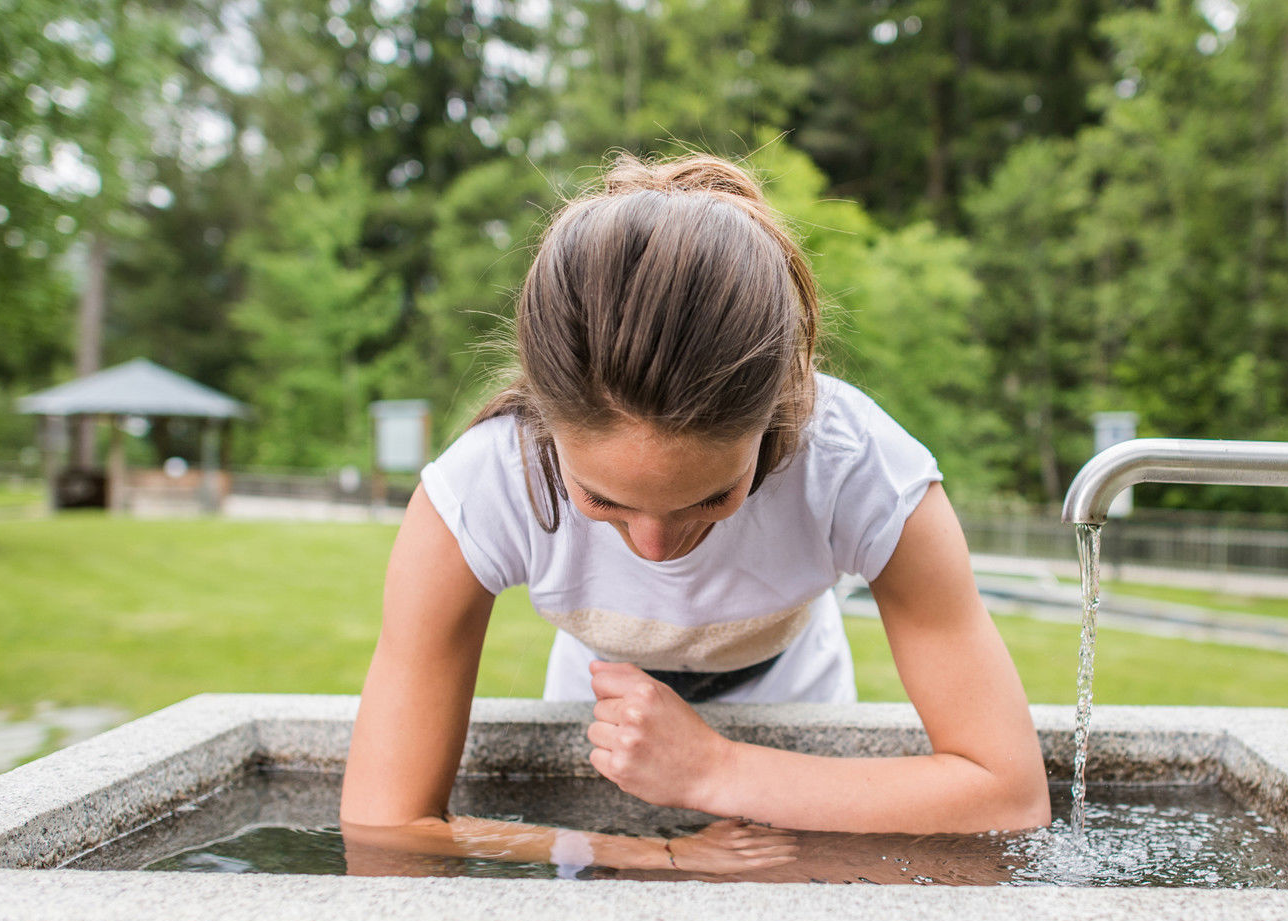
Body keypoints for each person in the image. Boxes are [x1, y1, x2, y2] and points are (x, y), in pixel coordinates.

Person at [339, 153, 1049, 878]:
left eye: (711, 498)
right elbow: (383, 822)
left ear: (780, 409)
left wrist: (717, 769)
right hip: (600, 723)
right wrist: (656, 853)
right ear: (547, 427)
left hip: (798, 709)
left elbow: (1009, 795)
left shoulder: (856, 463)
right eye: (603, 502)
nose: (654, 547)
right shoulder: (484, 484)